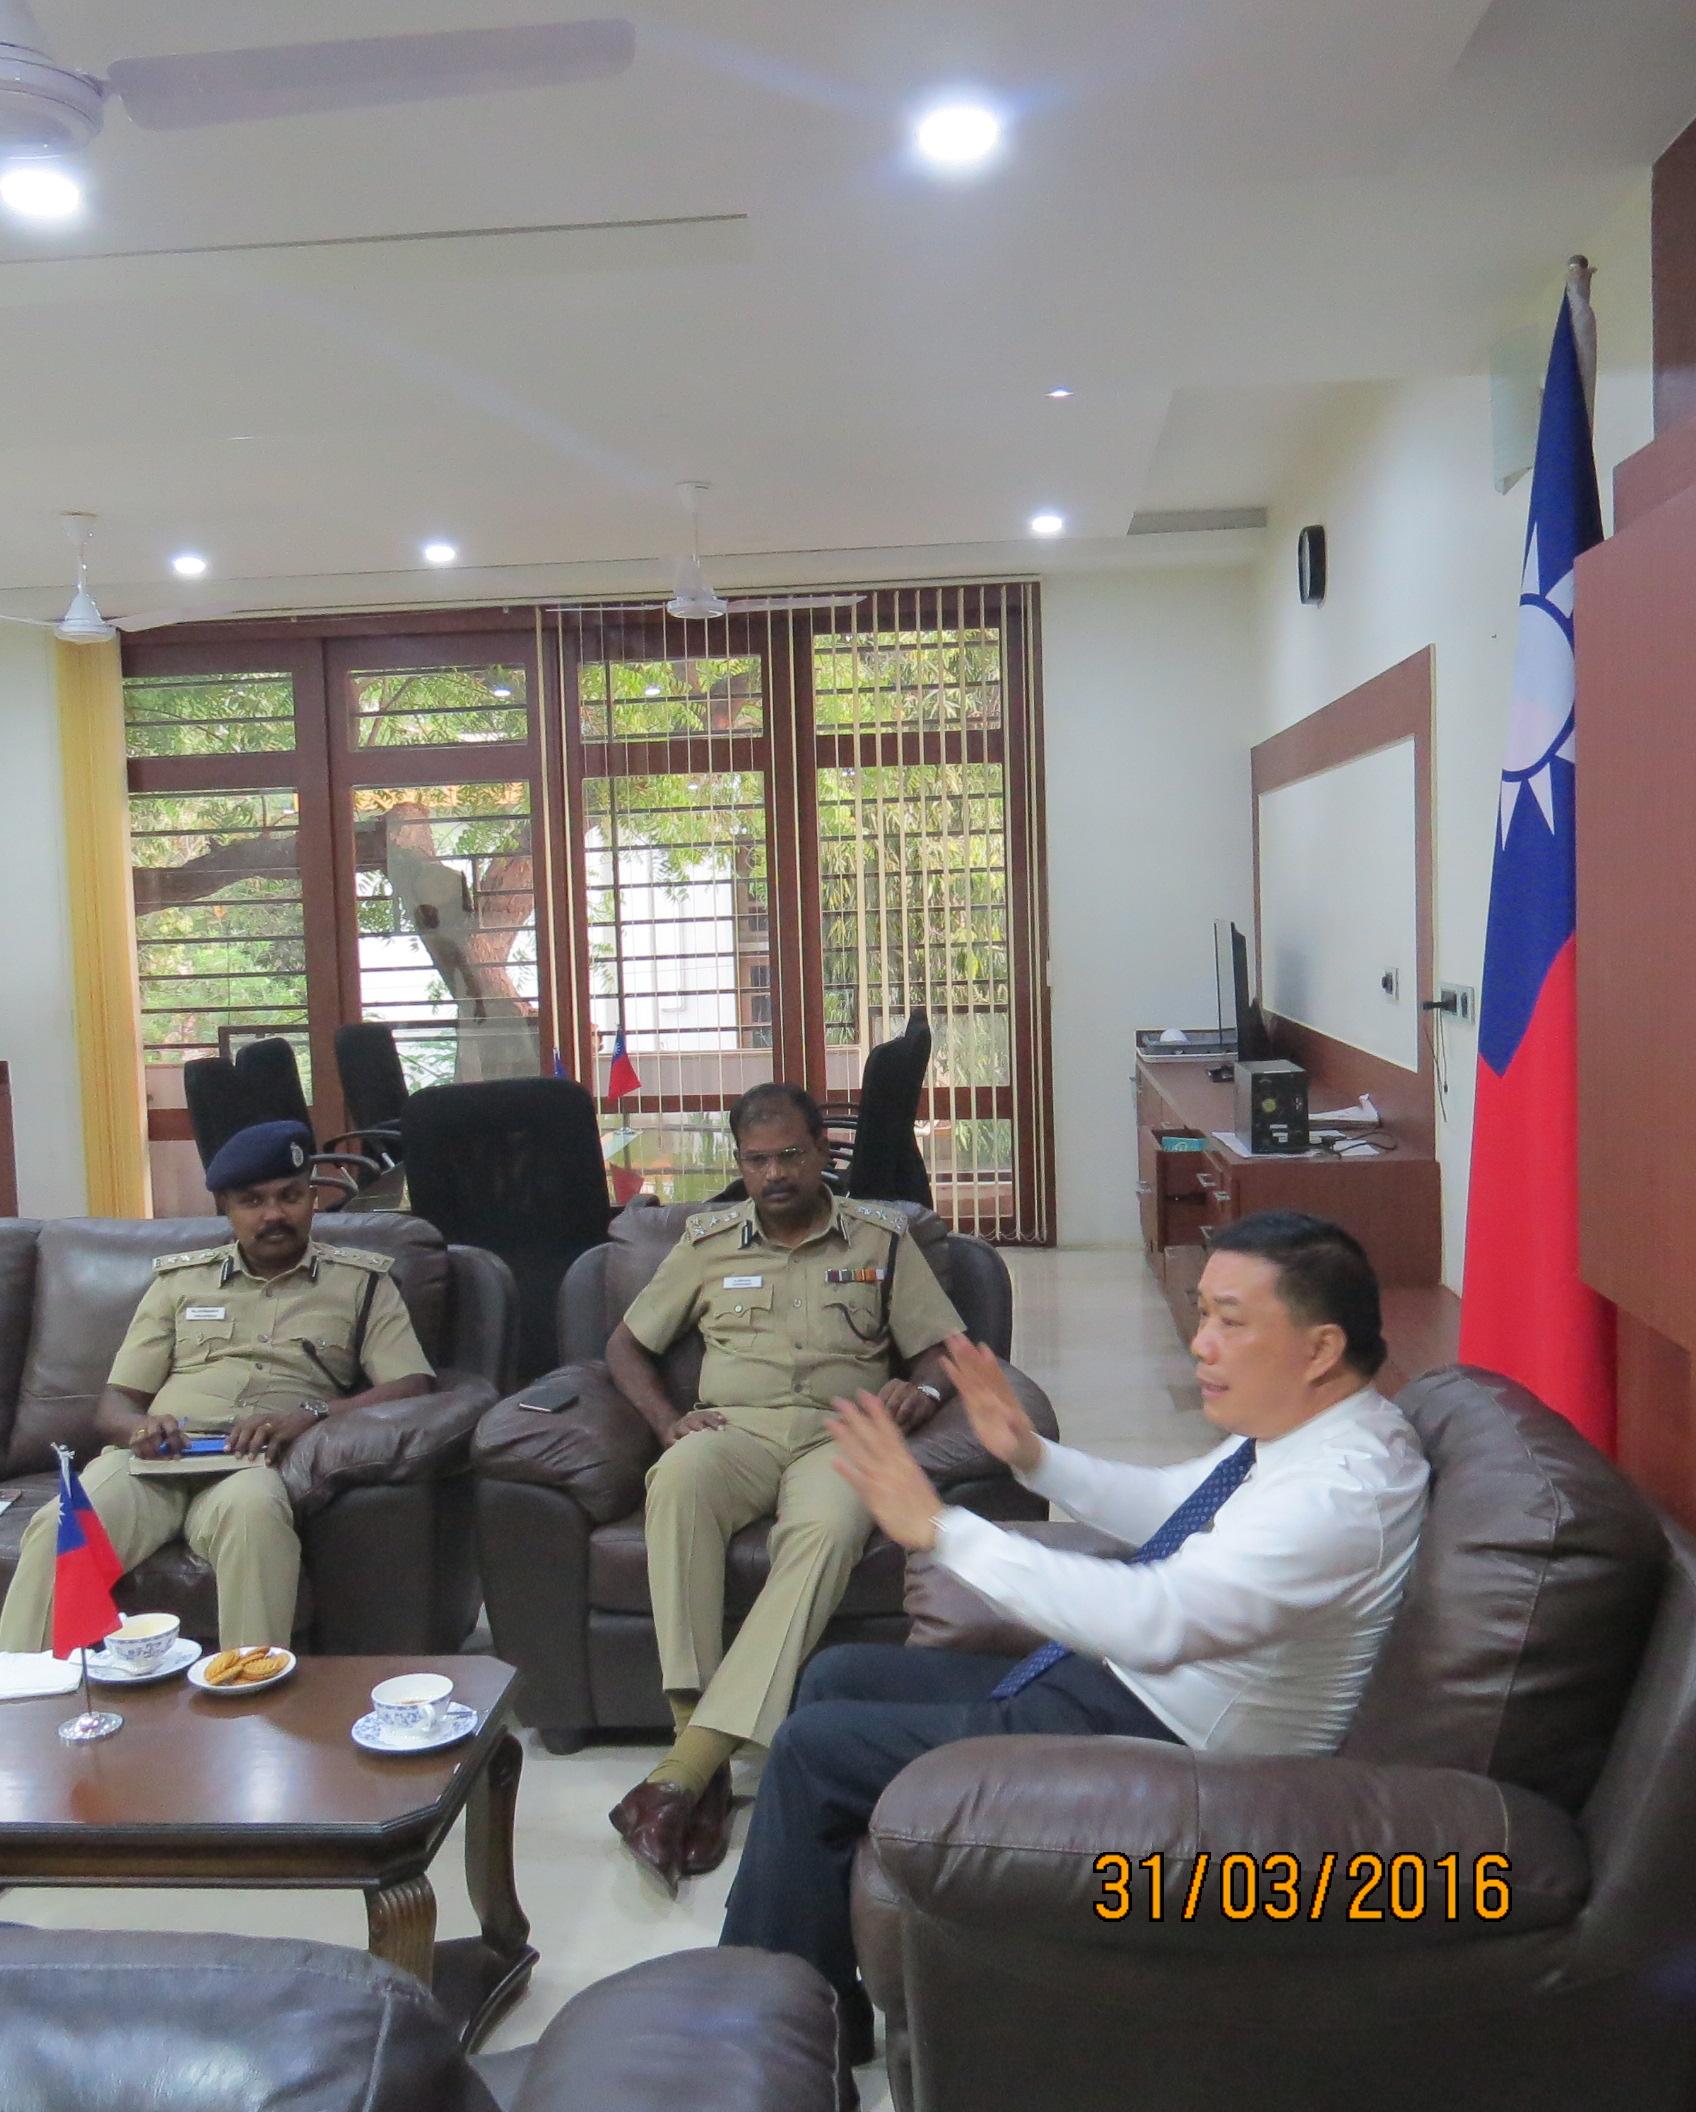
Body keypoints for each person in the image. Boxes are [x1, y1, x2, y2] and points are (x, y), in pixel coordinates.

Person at [718, 1209, 1430, 2046]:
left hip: (1178, 1754)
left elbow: (1154, 1621)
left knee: (814, 1750)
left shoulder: (1340, 1495)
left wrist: (942, 1529)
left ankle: (761, 2039)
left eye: (1230, 1322)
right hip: (1127, 1692)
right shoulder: (1302, 1435)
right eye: (1202, 1314)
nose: (1200, 1343)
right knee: (837, 1677)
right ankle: (820, 1998)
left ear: (1320, 1349)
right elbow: (1174, 1508)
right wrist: (1031, 1457)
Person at [606, 1082, 966, 1895]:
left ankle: (682, 1775)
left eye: (790, 1156)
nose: (774, 1174)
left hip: (840, 1434)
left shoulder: (881, 1237)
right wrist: (667, 1423)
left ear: (821, 1153)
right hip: (733, 1430)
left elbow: (943, 1346)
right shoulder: (704, 1243)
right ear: (739, 1162)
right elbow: (625, 1346)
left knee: (830, 1531)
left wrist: (930, 1392)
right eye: (757, 1159)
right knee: (678, 1482)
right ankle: (690, 1747)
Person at [0, 1121, 434, 1655]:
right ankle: (19, 1708)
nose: (273, 1214)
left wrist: (315, 1411)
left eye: (289, 1196)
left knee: (255, 1521)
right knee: (60, 1526)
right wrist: (141, 1427)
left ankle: (253, 1709)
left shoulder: (362, 1282)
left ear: (313, 1200)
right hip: (152, 1464)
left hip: (251, 1465)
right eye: (252, 1201)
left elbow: (412, 1383)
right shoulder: (180, 1282)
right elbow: (115, 1404)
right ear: (225, 1209)